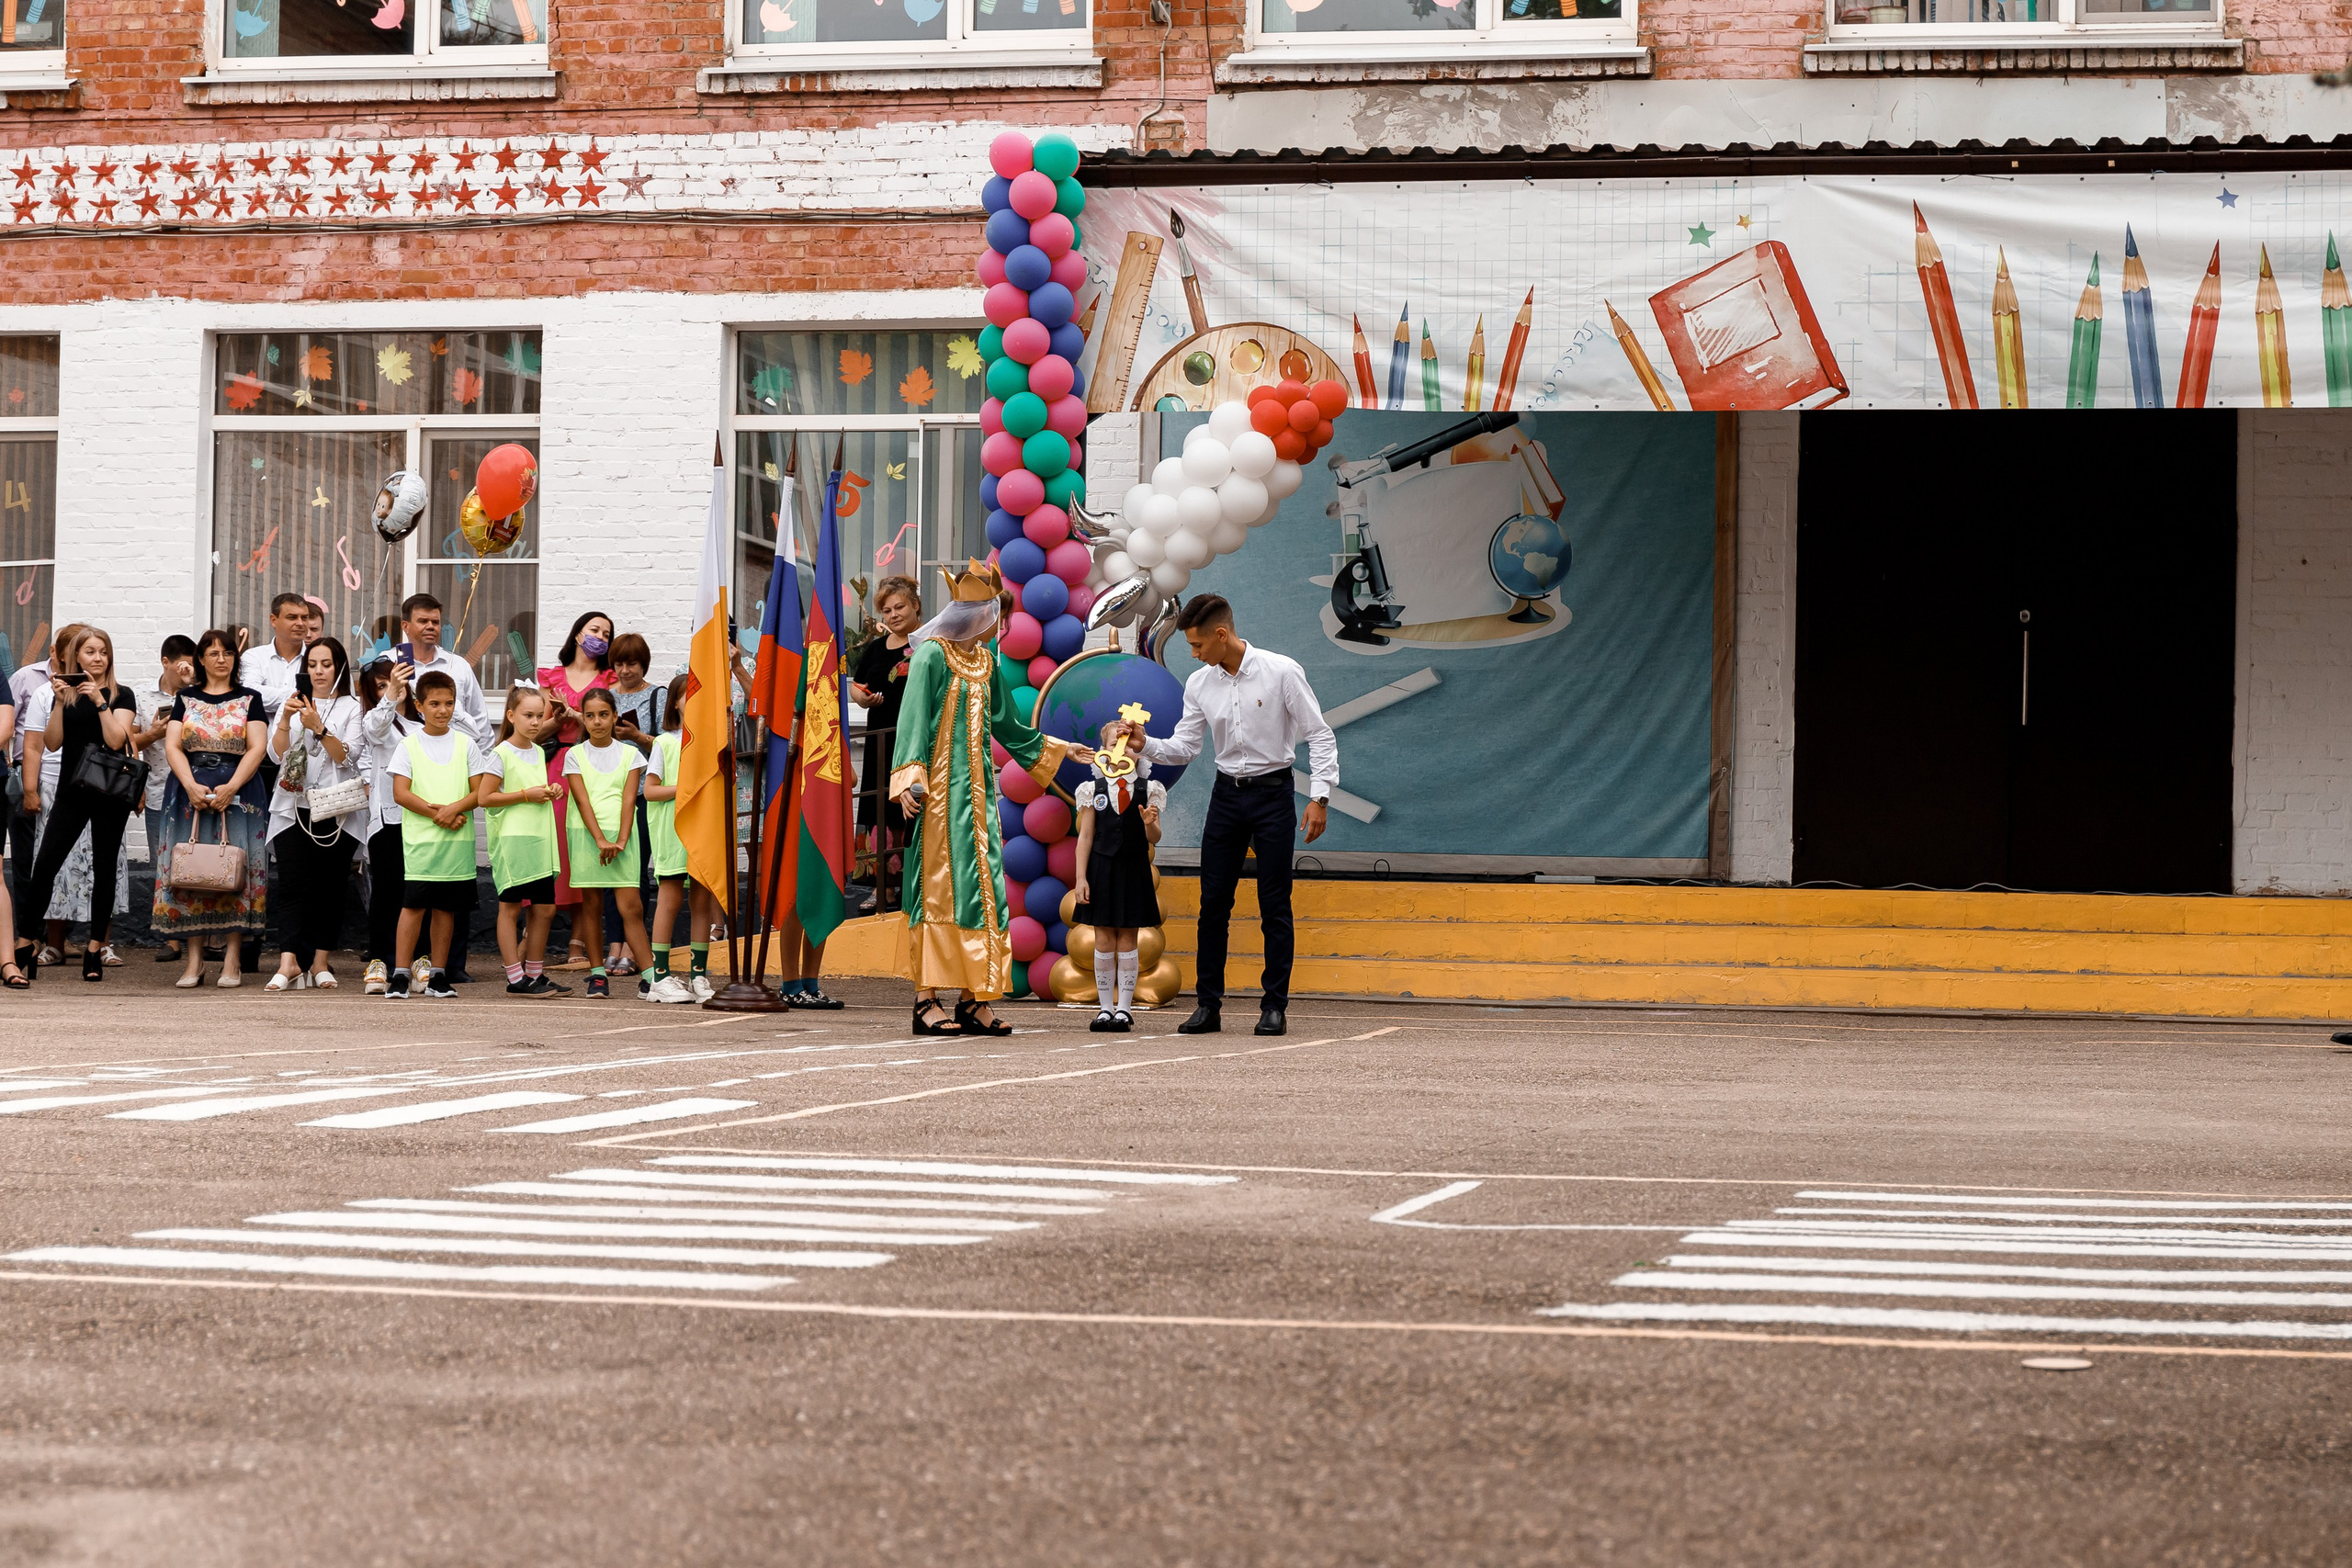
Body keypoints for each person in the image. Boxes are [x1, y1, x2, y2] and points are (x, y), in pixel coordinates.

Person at [889, 559, 1090, 1037]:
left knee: (984, 887)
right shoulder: (931, 656)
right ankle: (925, 999)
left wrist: (1060, 748)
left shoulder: (985, 662)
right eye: (996, 614)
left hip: (978, 794)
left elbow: (1009, 726)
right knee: (939, 886)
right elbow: (913, 720)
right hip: (939, 794)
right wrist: (908, 782)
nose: (999, 625)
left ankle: (972, 999)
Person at [1143, 594, 1338, 1039]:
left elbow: (1320, 736)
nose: (1194, 654)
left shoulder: (1282, 671)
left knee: (1275, 905)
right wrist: (1145, 744)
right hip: (1226, 796)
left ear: (1221, 634)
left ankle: (1274, 1007)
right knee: (1213, 905)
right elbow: (1185, 747)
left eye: (1197, 645)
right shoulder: (1199, 683)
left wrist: (1320, 798)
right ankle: (1208, 1006)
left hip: (1273, 795)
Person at [19, 626, 140, 982]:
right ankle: (26, 942)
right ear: (76, 657)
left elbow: (117, 741)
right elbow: (53, 744)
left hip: (109, 795)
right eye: (90, 652)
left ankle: (93, 950)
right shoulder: (66, 697)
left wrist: (101, 702)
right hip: (72, 792)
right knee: (45, 866)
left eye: (103, 652)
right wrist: (60, 702)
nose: (98, 659)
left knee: (104, 872)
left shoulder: (123, 695)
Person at [156, 629, 270, 987]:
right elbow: (173, 745)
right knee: (191, 871)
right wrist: (190, 783)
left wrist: (232, 786)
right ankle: (194, 962)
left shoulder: (250, 698)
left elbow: (257, 747)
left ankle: (232, 961)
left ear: (236, 659)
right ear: (201, 659)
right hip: (189, 791)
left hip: (239, 794)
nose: (221, 659)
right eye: (213, 652)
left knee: (235, 870)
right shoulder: (185, 697)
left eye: (228, 653)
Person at [391, 594, 488, 983]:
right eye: (422, 621)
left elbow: (479, 724)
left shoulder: (459, 667)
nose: (430, 626)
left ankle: (445, 971)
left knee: (450, 907)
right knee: (411, 903)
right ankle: (400, 969)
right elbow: (379, 727)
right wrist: (437, 811)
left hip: (458, 812)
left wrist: (457, 805)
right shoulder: (391, 666)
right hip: (422, 824)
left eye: (436, 620)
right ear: (406, 625)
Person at [262, 637, 367, 992]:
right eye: (313, 664)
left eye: (326, 664)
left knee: (331, 888)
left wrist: (318, 727)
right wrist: (286, 721)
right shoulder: (291, 704)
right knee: (291, 885)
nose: (319, 671)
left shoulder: (353, 707)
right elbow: (276, 756)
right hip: (293, 806)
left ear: (339, 667)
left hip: (335, 809)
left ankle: (320, 962)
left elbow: (346, 758)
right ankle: (288, 962)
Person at [564, 687, 678, 1001]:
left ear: (615, 716)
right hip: (587, 837)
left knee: (632, 907)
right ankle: (598, 976)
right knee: (592, 906)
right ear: (583, 719)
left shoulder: (631, 754)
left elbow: (630, 799)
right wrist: (600, 839)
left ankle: (650, 978)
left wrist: (622, 839)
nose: (597, 721)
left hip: (623, 839)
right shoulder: (574, 755)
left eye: (603, 714)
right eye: (590, 716)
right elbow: (583, 801)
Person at [1072, 717, 1165, 1032]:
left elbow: (1154, 837)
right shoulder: (1091, 790)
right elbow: (1085, 837)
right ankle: (1105, 1008)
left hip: (1133, 868)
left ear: (1139, 752)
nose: (1120, 752)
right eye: (1114, 745)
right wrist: (1080, 878)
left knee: (1128, 936)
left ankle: (1124, 1009)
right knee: (1103, 936)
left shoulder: (1149, 789)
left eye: (1128, 746)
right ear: (1102, 751)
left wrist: (1149, 821)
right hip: (1101, 867)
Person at [537, 609, 614, 967]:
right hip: (556, 766)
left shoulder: (609, 678)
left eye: (606, 634)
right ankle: (532, 939)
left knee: (582, 849)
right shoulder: (550, 677)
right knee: (556, 850)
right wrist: (558, 719)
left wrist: (580, 717)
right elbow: (535, 732)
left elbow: (605, 726)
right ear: (578, 634)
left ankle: (578, 945)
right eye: (594, 629)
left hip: (592, 765)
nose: (600, 636)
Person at [481, 685, 569, 998]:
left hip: (539, 840)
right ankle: (515, 977)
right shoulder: (501, 753)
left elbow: (536, 789)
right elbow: (485, 797)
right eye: (527, 715)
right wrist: (525, 795)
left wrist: (552, 790)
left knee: (544, 909)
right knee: (511, 907)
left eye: (538, 715)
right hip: (513, 842)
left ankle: (535, 973)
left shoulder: (536, 751)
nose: (534, 722)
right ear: (511, 716)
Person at [639, 672, 714, 1002]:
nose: (693, 701)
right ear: (675, 703)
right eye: (687, 695)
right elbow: (650, 790)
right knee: (669, 899)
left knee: (701, 903)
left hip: (704, 830)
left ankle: (699, 977)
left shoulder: (712, 742)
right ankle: (659, 977)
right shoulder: (664, 743)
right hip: (672, 832)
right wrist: (684, 788)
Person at [851, 577, 922, 906]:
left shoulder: (929, 643)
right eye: (887, 610)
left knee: (911, 804)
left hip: (916, 740)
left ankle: (915, 884)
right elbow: (856, 685)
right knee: (879, 804)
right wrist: (862, 700)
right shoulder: (876, 649)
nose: (894, 615)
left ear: (915, 605)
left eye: (900, 607)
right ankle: (883, 887)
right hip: (880, 740)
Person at [356, 654, 413, 995]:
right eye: (382, 685)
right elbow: (374, 730)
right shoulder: (377, 722)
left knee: (416, 891)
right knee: (387, 890)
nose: (393, 688)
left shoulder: (425, 721)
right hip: (388, 815)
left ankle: (415, 959)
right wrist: (391, 694)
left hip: (424, 816)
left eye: (396, 680)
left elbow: (467, 730)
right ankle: (379, 958)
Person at [138, 635, 197, 964]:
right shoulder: (143, 695)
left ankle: (205, 933)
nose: (187, 669)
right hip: (160, 790)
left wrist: (191, 685)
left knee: (201, 862)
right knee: (163, 867)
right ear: (165, 662)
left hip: (196, 792)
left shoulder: (200, 695)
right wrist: (154, 734)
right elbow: (128, 739)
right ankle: (171, 938)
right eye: (182, 664)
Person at [239, 592, 310, 723]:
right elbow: (249, 694)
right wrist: (301, 697)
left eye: (304, 618)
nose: (300, 623)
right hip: (260, 741)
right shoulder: (254, 656)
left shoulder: (315, 660)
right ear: (273, 620)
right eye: (292, 617)